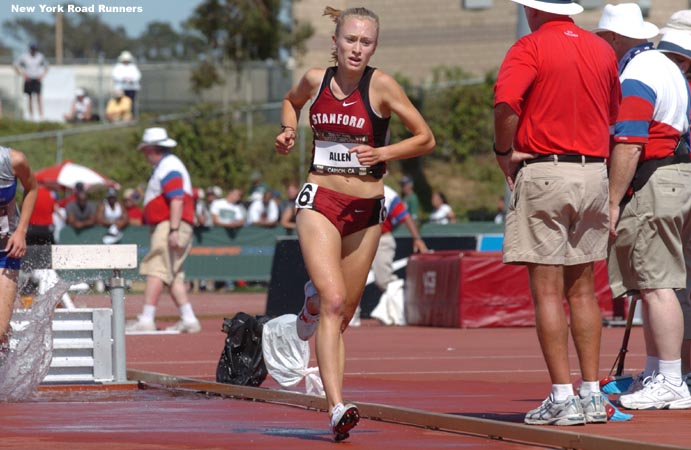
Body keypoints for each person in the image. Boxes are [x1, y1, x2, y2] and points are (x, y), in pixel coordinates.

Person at [274, 6, 434, 441]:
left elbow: (425, 137)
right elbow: (291, 102)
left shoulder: (380, 86)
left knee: (340, 314)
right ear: (336, 42)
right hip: (320, 199)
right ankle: (336, 406)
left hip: (366, 208)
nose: (357, 49)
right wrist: (289, 130)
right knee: (334, 299)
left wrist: (383, 154)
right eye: (351, 40)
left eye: (366, 42)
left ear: (374, 47)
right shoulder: (314, 80)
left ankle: (308, 309)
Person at [494, 0, 621, 426]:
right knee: (582, 289)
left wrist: (503, 151)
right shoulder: (601, 49)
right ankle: (589, 394)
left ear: (531, 9)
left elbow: (506, 104)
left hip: (545, 168)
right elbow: (612, 113)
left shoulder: (529, 46)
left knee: (547, 291)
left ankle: (562, 395)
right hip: (593, 172)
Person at [596, 3, 691, 410]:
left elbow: (630, 139)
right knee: (663, 283)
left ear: (614, 39)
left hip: (656, 179)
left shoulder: (637, 72)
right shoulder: (665, 68)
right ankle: (662, 372)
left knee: (656, 285)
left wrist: (613, 201)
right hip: (675, 176)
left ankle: (669, 378)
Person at [126, 127, 201, 334]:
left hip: (169, 223)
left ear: (151, 149)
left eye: (145, 151)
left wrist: (174, 229)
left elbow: (176, 198)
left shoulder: (168, 166)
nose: (144, 155)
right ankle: (189, 318)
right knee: (173, 275)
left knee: (156, 269)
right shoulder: (167, 165)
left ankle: (147, 319)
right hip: (173, 223)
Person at [369, 184, 428, 325]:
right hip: (358, 239)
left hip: (381, 239)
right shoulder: (351, 186)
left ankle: (399, 313)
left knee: (384, 280)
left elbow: (405, 216)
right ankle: (351, 318)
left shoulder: (388, 193)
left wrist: (417, 239)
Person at [0, 146, 38, 362]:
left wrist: (21, 230)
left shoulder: (13, 160)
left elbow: (32, 188)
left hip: (5, 250)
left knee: (0, 330)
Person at [14, 44, 48, 121]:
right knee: (29, 98)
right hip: (28, 80)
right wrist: (23, 75)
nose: (34, 51)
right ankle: (31, 116)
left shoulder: (40, 56)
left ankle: (41, 116)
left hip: (36, 79)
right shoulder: (24, 56)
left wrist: (42, 76)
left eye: (35, 49)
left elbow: (46, 67)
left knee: (39, 97)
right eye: (32, 49)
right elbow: (16, 65)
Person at [111, 50, 141, 115]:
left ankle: (131, 115)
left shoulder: (133, 67)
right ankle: (121, 114)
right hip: (121, 88)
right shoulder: (118, 67)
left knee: (131, 102)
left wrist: (131, 80)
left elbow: (137, 76)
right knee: (122, 101)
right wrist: (123, 79)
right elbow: (115, 76)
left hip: (131, 88)